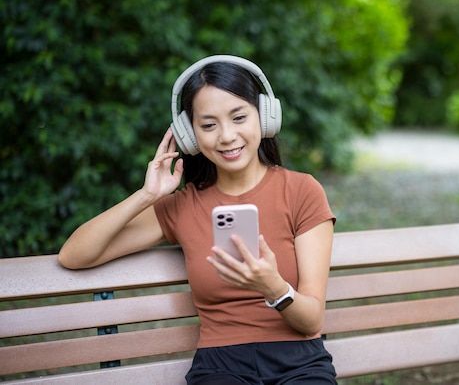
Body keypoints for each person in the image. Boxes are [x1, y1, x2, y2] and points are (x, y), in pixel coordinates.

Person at [58, 55, 338, 384]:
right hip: (221, 365)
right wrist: (147, 195)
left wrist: (272, 287)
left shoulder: (302, 191)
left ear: (264, 117)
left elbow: (311, 320)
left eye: (238, 117)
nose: (226, 136)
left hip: (300, 362)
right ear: (190, 136)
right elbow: (73, 255)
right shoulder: (182, 207)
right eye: (208, 125)